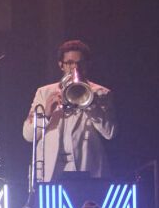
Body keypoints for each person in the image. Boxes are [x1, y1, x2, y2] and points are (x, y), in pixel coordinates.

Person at [22, 39, 115, 179]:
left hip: (88, 169)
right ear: (61, 65)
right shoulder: (44, 92)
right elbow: (28, 135)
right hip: (50, 171)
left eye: (80, 63)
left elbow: (110, 133)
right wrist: (46, 114)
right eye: (70, 63)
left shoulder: (101, 93)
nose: (75, 68)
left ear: (87, 64)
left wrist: (90, 104)